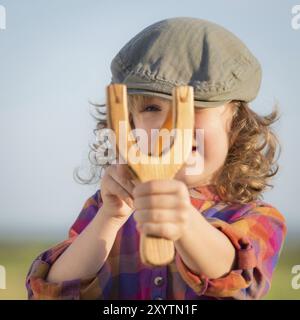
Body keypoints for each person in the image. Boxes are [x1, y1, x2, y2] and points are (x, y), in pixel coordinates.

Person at [26, 17, 286, 300]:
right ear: (128, 126)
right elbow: (50, 291)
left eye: (194, 108)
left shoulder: (257, 218)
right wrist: (109, 219)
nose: (171, 126)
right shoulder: (105, 208)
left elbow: (237, 278)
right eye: (151, 107)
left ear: (236, 128)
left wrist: (183, 220)